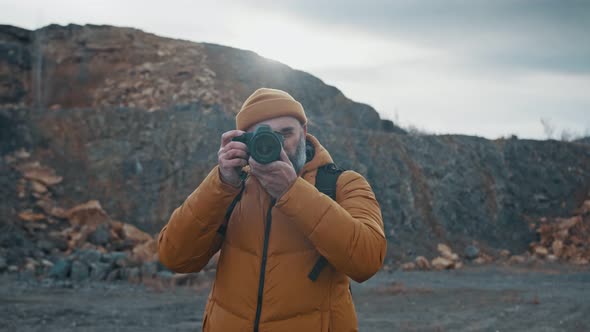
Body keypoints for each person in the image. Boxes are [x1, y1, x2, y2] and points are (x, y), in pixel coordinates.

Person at [158, 88, 386, 332]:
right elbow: (175, 257)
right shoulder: (230, 189)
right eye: (262, 137)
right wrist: (221, 183)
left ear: (305, 132)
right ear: (243, 141)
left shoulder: (343, 184)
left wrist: (293, 192)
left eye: (285, 134)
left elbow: (367, 260)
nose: (276, 145)